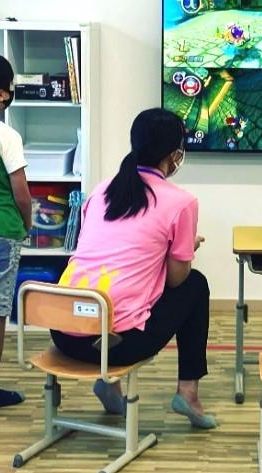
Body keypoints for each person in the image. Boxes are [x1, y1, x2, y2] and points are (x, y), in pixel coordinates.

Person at [51, 108, 215, 429]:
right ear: (175, 154)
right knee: (195, 284)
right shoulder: (181, 202)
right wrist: (183, 250)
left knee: (111, 287)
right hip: (113, 346)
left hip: (63, 332)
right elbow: (176, 279)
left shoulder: (101, 191)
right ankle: (188, 393)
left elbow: (104, 253)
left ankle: (109, 386)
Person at [0, 53, 32, 410]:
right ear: (2, 93)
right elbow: (21, 193)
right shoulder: (6, 134)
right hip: (1, 228)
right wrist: (27, 224)